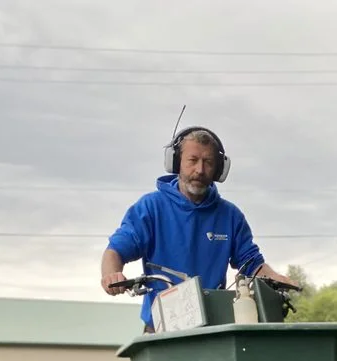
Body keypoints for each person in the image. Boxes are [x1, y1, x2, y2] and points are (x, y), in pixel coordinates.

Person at [101, 125, 296, 330]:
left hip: (213, 329)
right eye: (192, 161)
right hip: (162, 329)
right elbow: (115, 251)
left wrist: (277, 279)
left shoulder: (230, 216)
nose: (200, 170)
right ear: (177, 162)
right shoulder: (150, 208)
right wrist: (111, 275)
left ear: (219, 169)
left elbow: (252, 264)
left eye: (208, 162)